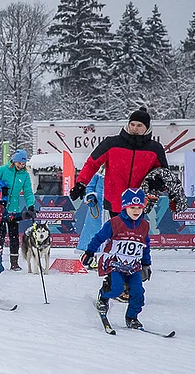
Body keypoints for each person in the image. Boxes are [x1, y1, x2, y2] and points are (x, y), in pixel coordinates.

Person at [70, 107, 168, 217]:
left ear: (147, 127)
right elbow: (92, 163)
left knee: (134, 233)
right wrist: (81, 183)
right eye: (132, 124)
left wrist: (159, 184)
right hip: (114, 201)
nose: (135, 128)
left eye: (139, 125)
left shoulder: (155, 149)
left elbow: (164, 173)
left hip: (138, 203)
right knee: (115, 232)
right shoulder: (112, 143)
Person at [83, 188, 152, 329]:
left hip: (133, 266)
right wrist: (89, 252)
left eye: (139, 207)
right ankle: (103, 296)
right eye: (132, 207)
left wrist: (146, 264)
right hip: (114, 263)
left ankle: (132, 317)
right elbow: (99, 237)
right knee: (117, 289)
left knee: (138, 293)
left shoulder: (144, 225)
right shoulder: (115, 223)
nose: (136, 211)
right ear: (125, 207)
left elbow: (146, 246)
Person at [0, 149, 36, 271]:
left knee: (14, 236)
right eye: (19, 163)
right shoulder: (3, 170)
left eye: (23, 164)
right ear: (14, 161)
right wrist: (1, 188)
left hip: (14, 209)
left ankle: (14, 263)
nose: (21, 166)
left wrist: (31, 205)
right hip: (0, 208)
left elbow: (28, 192)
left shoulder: (25, 175)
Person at [76, 172, 104, 259]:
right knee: (93, 232)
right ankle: (90, 255)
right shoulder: (99, 171)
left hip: (114, 207)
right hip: (97, 207)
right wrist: (90, 196)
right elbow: (90, 186)